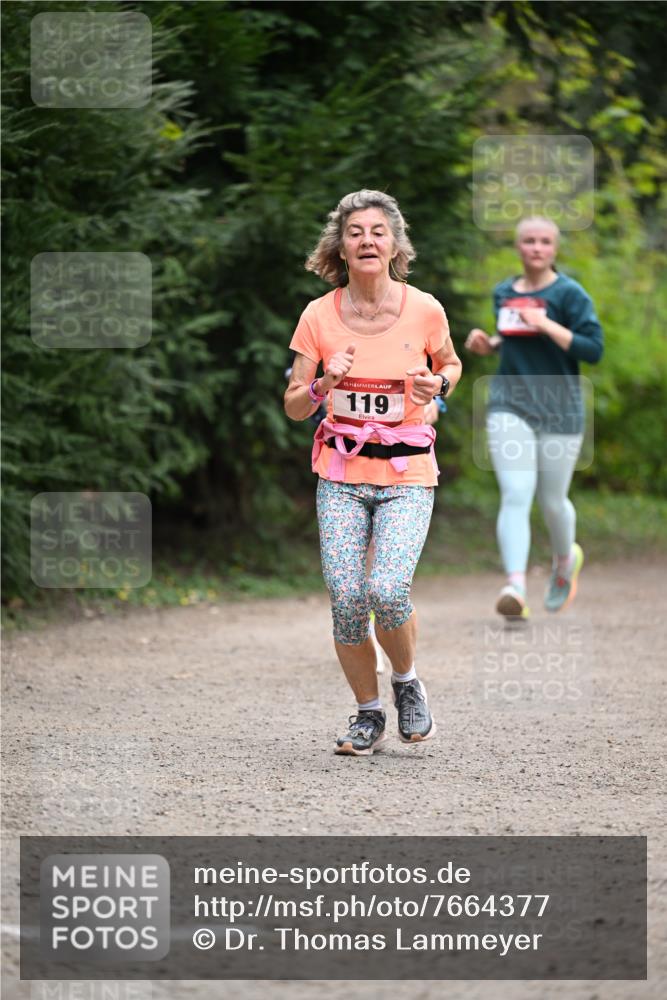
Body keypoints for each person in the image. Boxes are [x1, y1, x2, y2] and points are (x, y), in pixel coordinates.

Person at [284, 189, 462, 756]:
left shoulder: (425, 309)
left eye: (377, 232)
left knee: (386, 588)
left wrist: (440, 384)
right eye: (355, 232)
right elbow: (294, 404)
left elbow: (450, 363)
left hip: (407, 473)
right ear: (341, 246)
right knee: (345, 597)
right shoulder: (318, 315)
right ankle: (367, 713)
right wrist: (324, 384)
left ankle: (406, 682)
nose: (366, 240)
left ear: (394, 245)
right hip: (340, 475)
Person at [465, 217, 603, 620]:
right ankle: (516, 587)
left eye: (544, 241)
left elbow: (593, 349)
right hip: (510, 403)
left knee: (552, 501)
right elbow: (514, 340)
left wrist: (546, 324)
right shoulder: (504, 292)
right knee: (515, 492)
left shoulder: (570, 294)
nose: (537, 248)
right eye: (529, 241)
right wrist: (490, 344)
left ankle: (564, 562)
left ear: (555, 248)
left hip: (560, 408)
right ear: (518, 246)